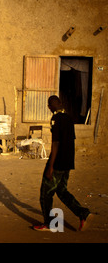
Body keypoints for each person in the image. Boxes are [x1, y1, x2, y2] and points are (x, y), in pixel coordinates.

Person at [33, 95, 93, 231]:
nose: (49, 108)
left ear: (50, 106)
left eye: (49, 105)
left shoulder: (55, 119)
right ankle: (83, 213)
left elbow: (55, 144)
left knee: (45, 193)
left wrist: (51, 166)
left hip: (58, 162)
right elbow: (71, 141)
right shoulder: (69, 118)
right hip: (68, 162)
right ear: (61, 103)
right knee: (61, 191)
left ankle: (48, 223)